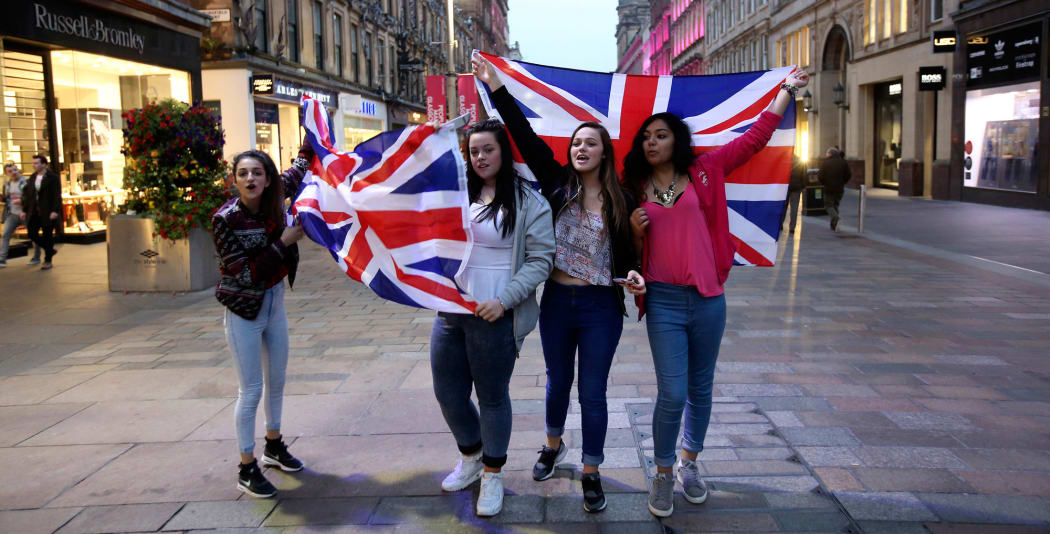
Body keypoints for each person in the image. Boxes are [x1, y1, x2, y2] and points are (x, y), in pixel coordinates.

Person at [625, 70, 809, 517]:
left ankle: (690, 462)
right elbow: (624, 250)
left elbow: (755, 139)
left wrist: (784, 94)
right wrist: (633, 231)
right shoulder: (634, 187)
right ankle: (663, 472)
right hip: (664, 300)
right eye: (646, 136)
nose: (652, 142)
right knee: (672, 391)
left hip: (708, 299)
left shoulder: (706, 171)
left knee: (700, 388)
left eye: (661, 135)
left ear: (677, 140)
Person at [473, 55, 646, 513]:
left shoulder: (622, 197)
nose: (581, 149)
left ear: (605, 151)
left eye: (591, 143)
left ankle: (591, 470)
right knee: (557, 383)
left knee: (593, 390)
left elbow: (629, 255)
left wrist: (633, 273)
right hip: (557, 302)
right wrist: (495, 87)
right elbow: (522, 135)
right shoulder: (555, 182)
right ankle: (553, 446)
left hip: (601, 308)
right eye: (576, 143)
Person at [430, 118, 554, 517]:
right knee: (448, 393)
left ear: (503, 152)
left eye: (488, 149)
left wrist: (505, 300)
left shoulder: (528, 201)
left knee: (492, 398)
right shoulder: (456, 193)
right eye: (474, 151)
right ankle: (471, 456)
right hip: (451, 311)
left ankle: (493, 473)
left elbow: (541, 260)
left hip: (495, 315)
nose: (480, 157)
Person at [212, 147, 311, 498]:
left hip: (275, 303)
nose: (250, 178)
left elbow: (300, 167)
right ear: (235, 180)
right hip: (244, 310)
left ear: (268, 178)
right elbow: (246, 273)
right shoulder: (225, 219)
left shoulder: (277, 195)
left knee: (278, 381)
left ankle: (273, 445)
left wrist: (312, 133)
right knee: (251, 389)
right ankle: (246, 466)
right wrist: (284, 242)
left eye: (257, 172)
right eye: (243, 173)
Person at [22, 154, 61, 270]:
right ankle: (50, 250)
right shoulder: (33, 177)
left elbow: (56, 195)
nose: (34, 165)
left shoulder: (52, 177)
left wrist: (55, 210)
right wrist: (25, 210)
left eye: (36, 163)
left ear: (44, 164)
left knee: (47, 235)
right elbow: (28, 195)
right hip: (34, 211)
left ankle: (48, 260)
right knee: (32, 233)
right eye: (33, 163)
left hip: (47, 210)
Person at [1, 163, 33, 267]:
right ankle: (2, 259)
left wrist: (23, 205)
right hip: (13, 213)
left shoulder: (26, 182)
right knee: (5, 234)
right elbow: (7, 199)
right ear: (6, 174)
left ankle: (37, 256)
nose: (13, 172)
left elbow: (32, 197)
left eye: (15, 170)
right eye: (10, 171)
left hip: (26, 213)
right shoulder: (7, 185)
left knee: (34, 235)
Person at [818, 147, 851, 231]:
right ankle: (834, 225)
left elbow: (820, 176)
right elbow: (848, 175)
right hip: (839, 188)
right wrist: (843, 182)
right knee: (835, 206)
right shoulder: (843, 162)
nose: (826, 155)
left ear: (830, 154)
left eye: (827, 153)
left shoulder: (825, 163)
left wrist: (824, 183)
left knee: (828, 205)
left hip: (829, 188)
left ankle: (836, 218)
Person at [782, 155, 805, 234]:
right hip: (796, 187)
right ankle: (792, 227)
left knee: (783, 207)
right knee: (794, 208)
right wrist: (802, 186)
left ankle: (780, 224)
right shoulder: (800, 161)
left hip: (785, 187)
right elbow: (804, 175)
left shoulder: (784, 160)